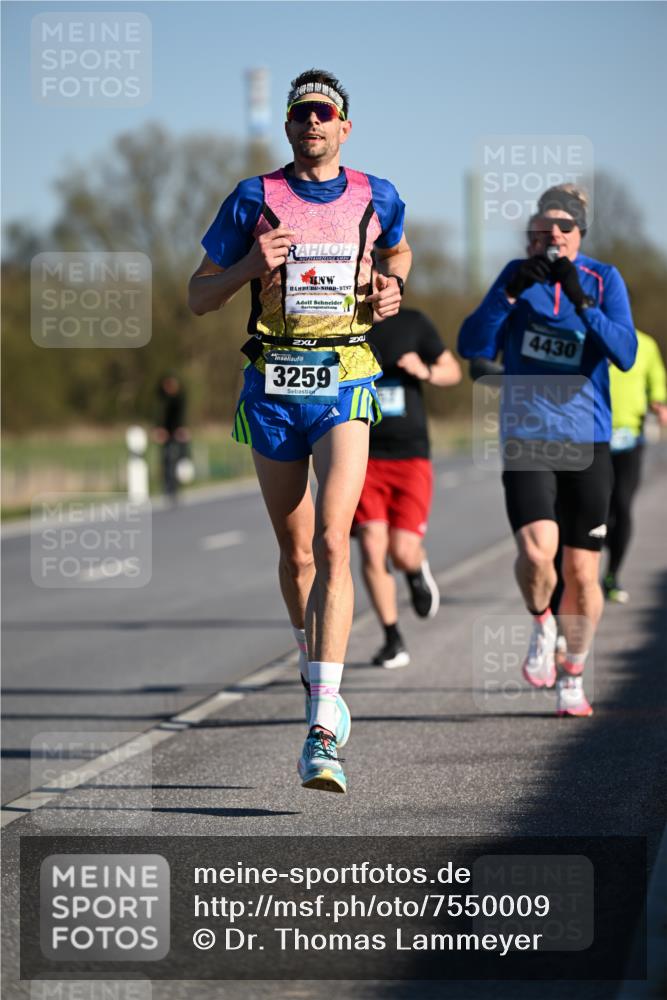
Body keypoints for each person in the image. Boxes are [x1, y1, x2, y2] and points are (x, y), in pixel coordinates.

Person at [188, 69, 411, 792]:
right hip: (275, 382)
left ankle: (321, 724)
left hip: (344, 375)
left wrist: (390, 286)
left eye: (324, 112)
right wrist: (250, 265)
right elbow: (197, 294)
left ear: (344, 126)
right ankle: (316, 664)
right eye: (299, 113)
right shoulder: (253, 197)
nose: (311, 121)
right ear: (287, 127)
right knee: (296, 555)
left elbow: (396, 251)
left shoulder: (378, 193)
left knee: (330, 539)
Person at [458, 184, 637, 717]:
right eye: (543, 228)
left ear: (580, 234)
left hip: (587, 441)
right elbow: (471, 346)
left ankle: (574, 675)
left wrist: (581, 301)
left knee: (583, 573)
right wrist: (506, 294)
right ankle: (542, 625)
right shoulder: (517, 276)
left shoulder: (605, 280)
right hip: (528, 435)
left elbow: (624, 352)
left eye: (564, 227)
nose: (553, 236)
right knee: (538, 554)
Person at [352, 307, 461, 667]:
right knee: (370, 545)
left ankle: (415, 569)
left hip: (411, 456)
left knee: (401, 550)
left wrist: (425, 370)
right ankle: (392, 638)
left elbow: (453, 371)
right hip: (363, 455)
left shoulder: (413, 323)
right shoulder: (344, 321)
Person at [603, 330, 667, 602]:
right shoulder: (588, 334)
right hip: (591, 437)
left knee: (623, 505)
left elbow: (657, 383)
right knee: (597, 509)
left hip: (630, 436)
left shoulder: (646, 344)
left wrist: (659, 405)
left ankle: (612, 575)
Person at [153, 373, 190, 499]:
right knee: (166, 458)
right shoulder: (161, 398)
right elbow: (158, 414)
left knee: (181, 456)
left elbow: (183, 414)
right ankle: (168, 486)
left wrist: (182, 428)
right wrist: (159, 429)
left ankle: (179, 483)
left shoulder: (181, 397)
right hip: (165, 431)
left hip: (178, 431)